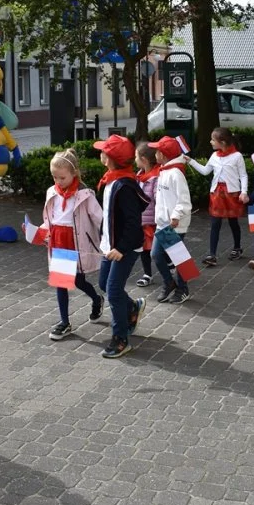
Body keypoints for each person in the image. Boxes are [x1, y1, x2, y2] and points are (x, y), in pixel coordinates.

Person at [40, 149, 105, 341]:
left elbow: (100, 218)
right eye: (54, 177)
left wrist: (110, 239)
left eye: (62, 177)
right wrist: (42, 231)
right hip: (59, 240)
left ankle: (96, 299)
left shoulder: (85, 195)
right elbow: (50, 218)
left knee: (78, 281)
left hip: (77, 242)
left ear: (74, 173)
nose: (58, 181)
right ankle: (64, 322)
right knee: (61, 283)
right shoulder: (52, 192)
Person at [94, 135, 149, 359]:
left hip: (123, 249)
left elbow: (133, 223)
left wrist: (122, 248)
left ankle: (121, 339)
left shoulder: (124, 186)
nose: (100, 153)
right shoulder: (111, 180)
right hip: (110, 246)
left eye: (103, 151)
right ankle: (133, 308)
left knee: (114, 291)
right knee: (104, 284)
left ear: (110, 158)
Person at [187, 128, 248, 266]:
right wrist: (190, 161)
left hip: (232, 193)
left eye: (213, 140)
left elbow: (243, 175)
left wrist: (243, 191)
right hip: (217, 194)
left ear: (223, 142)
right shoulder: (214, 155)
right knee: (215, 224)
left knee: (233, 222)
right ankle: (212, 254)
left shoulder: (237, 156)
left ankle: (237, 247)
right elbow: (205, 171)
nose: (210, 142)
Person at [147, 136, 193, 304]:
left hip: (174, 223)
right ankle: (171, 283)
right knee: (161, 255)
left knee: (176, 256)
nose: (155, 153)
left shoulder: (175, 173)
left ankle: (182, 288)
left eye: (157, 150)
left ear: (164, 154)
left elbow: (184, 200)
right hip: (164, 222)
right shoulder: (164, 170)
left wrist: (175, 215)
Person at [134, 143, 160, 288]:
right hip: (143, 221)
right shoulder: (139, 176)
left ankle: (171, 269)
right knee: (144, 250)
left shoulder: (156, 178)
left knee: (159, 250)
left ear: (144, 159)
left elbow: (158, 200)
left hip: (154, 222)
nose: (134, 160)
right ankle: (147, 274)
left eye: (136, 157)